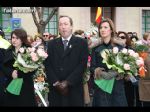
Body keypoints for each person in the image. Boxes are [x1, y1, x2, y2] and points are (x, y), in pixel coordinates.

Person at [45, 15, 89, 106]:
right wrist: (56, 83)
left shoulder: (82, 43)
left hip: (74, 88)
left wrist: (67, 82)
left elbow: (82, 65)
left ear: (71, 26)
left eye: (66, 24)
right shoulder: (51, 44)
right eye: (60, 24)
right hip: (56, 89)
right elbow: (48, 65)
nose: (63, 27)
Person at [90, 18, 127, 106]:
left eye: (105, 27)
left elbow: (124, 65)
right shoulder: (96, 48)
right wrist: (102, 73)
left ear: (111, 30)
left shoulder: (119, 47)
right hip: (102, 86)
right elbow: (92, 67)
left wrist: (114, 73)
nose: (102, 29)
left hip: (116, 86)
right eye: (101, 27)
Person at [1, 28, 37, 106]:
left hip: (25, 86)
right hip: (11, 85)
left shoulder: (29, 51)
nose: (14, 40)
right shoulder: (7, 51)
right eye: (13, 38)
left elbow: (34, 68)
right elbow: (3, 67)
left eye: (17, 38)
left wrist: (22, 72)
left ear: (22, 39)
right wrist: (11, 73)